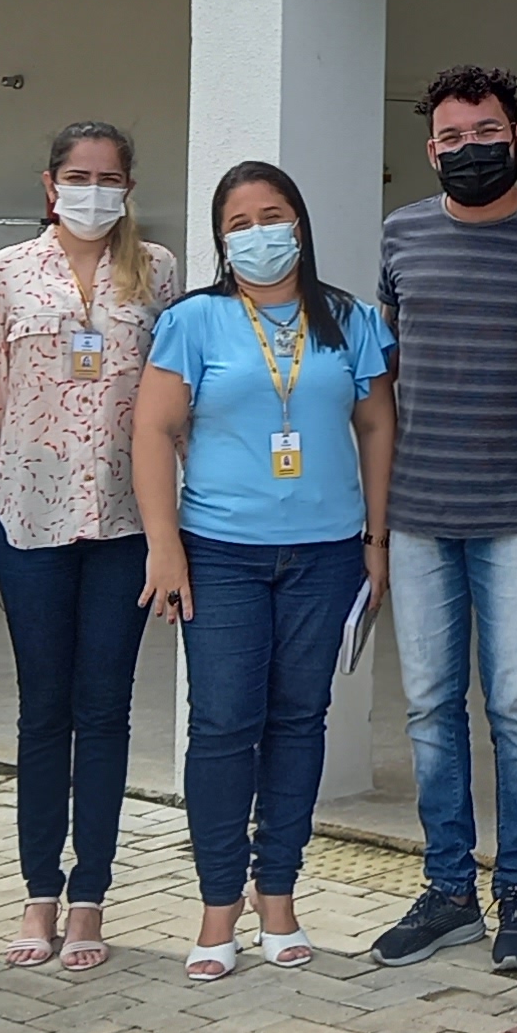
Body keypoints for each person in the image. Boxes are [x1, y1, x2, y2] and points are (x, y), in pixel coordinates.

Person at [138, 160, 394, 980]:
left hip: (325, 553)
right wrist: (164, 545)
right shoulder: (195, 321)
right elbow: (151, 433)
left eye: (272, 215)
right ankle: (219, 903)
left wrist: (376, 541)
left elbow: (378, 426)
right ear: (220, 239)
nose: (259, 234)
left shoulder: (348, 317)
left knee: (297, 720)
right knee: (220, 725)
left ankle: (278, 893)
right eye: (239, 224)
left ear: (301, 223)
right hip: (219, 551)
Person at [369, 67, 517, 976]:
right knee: (429, 710)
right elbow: (383, 380)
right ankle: (450, 891)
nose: (469, 149)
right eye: (452, 139)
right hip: (420, 511)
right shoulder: (401, 235)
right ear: (430, 150)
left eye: (484, 131)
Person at [0, 121, 175, 976]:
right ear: (51, 185)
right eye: (78, 176)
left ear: (128, 184)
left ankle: (92, 896)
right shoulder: (9, 273)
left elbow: (167, 406)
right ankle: (38, 888)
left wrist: (172, 531)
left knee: (106, 711)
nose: (93, 190)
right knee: (43, 711)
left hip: (125, 522)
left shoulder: (155, 270)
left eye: (108, 176)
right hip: (30, 521)